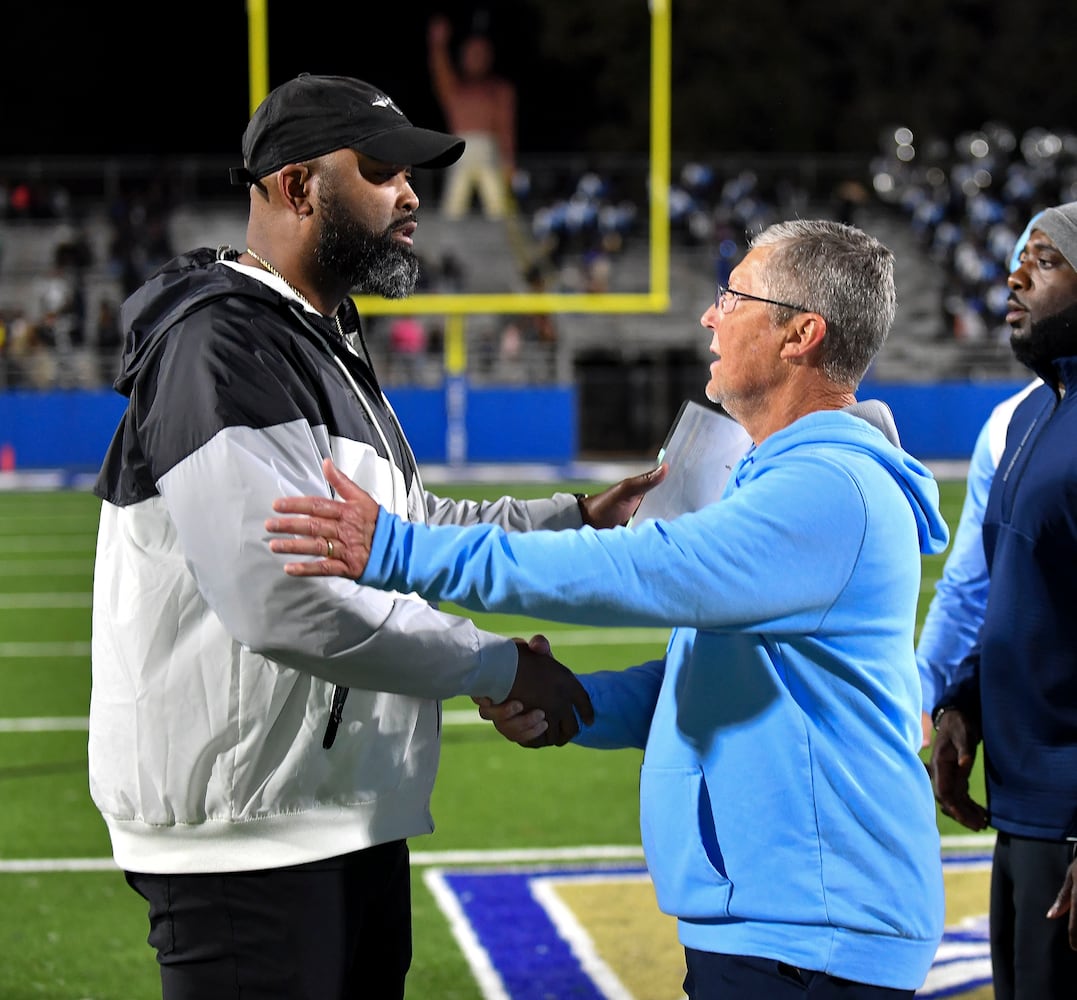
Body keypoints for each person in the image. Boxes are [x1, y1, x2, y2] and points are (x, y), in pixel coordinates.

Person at [88, 72, 664, 1000]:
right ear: (296, 186)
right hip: (254, 841)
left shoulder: (316, 337)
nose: (411, 193)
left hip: (341, 812)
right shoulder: (221, 344)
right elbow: (285, 600)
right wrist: (500, 669)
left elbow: (409, 533)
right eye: (382, 169)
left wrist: (576, 518)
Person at [265, 219, 951, 998]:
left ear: (801, 334)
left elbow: (639, 573)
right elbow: (721, 682)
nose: (709, 315)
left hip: (813, 932)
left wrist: (399, 552)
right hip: (786, 920)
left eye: (733, 296)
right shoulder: (798, 477)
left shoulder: (828, 486)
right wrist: (579, 703)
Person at [926, 202, 1077, 1000]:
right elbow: (1021, 603)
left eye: (1046, 260)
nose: (1013, 274)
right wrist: (963, 707)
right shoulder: (1027, 420)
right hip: (1022, 812)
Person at [915, 213, 1044, 746]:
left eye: (1044, 263)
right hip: (1038, 752)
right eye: (1016, 265)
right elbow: (969, 589)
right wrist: (931, 699)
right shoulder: (1006, 427)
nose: (1015, 280)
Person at [427, 14, 516, 219]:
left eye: (481, 53)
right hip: (460, 149)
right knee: (453, 206)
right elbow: (440, 71)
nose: (476, 58)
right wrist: (438, 45)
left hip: (489, 150)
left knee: (499, 206)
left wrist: (509, 161)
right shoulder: (456, 90)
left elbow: (506, 127)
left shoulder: (499, 90)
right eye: (471, 53)